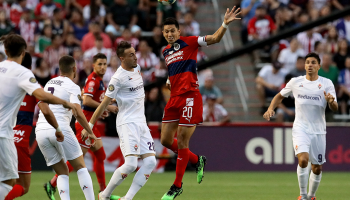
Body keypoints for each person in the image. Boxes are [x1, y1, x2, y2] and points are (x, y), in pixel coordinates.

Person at [160, 6, 241, 199]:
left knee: (181, 140)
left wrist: (224, 24)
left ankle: (177, 185)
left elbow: (214, 38)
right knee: (164, 140)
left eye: (173, 30)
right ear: (163, 34)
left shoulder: (190, 42)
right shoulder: (165, 52)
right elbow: (174, 71)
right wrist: (169, 79)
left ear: (179, 32)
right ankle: (197, 160)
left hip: (190, 96)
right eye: (167, 31)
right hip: (174, 99)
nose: (170, 34)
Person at [0, 34, 76, 200]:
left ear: (5, 50)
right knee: (13, 184)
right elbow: (44, 101)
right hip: (7, 136)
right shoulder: (23, 74)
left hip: (9, 134)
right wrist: (65, 104)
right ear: (23, 53)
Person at [78, 41, 157, 200]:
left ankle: (127, 198)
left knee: (150, 163)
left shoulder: (138, 69)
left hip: (141, 122)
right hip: (127, 123)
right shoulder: (117, 78)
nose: (135, 57)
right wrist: (89, 126)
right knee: (130, 165)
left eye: (135, 53)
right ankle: (104, 195)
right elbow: (103, 104)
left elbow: (130, 96)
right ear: (122, 58)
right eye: (131, 55)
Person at [263, 52, 338, 200]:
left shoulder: (327, 83)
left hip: (318, 130)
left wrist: (330, 101)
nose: (310, 65)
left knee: (317, 168)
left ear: (318, 66)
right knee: (303, 159)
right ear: (304, 66)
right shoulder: (296, 82)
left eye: (313, 62)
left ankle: (311, 196)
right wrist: (271, 108)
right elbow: (279, 96)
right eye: (308, 62)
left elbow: (334, 107)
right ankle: (303, 196)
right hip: (300, 128)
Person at [45, 53, 119, 198]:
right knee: (77, 159)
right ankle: (52, 184)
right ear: (94, 65)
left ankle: (102, 191)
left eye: (105, 64)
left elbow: (93, 101)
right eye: (100, 64)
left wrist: (105, 106)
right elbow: (86, 101)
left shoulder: (99, 80)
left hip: (91, 124)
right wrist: (107, 107)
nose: (103, 67)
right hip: (85, 124)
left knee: (100, 155)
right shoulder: (93, 81)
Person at [36, 55, 97, 200]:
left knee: (62, 172)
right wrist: (90, 131)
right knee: (81, 167)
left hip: (40, 131)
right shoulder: (72, 86)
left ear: (60, 69)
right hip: (60, 128)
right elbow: (78, 112)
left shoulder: (49, 82)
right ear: (74, 69)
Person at [4, 52, 60, 200]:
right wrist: (58, 128)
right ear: (30, 66)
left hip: (4, 136)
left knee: (7, 183)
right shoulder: (32, 85)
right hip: (18, 140)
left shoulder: (5, 81)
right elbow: (46, 111)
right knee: (23, 186)